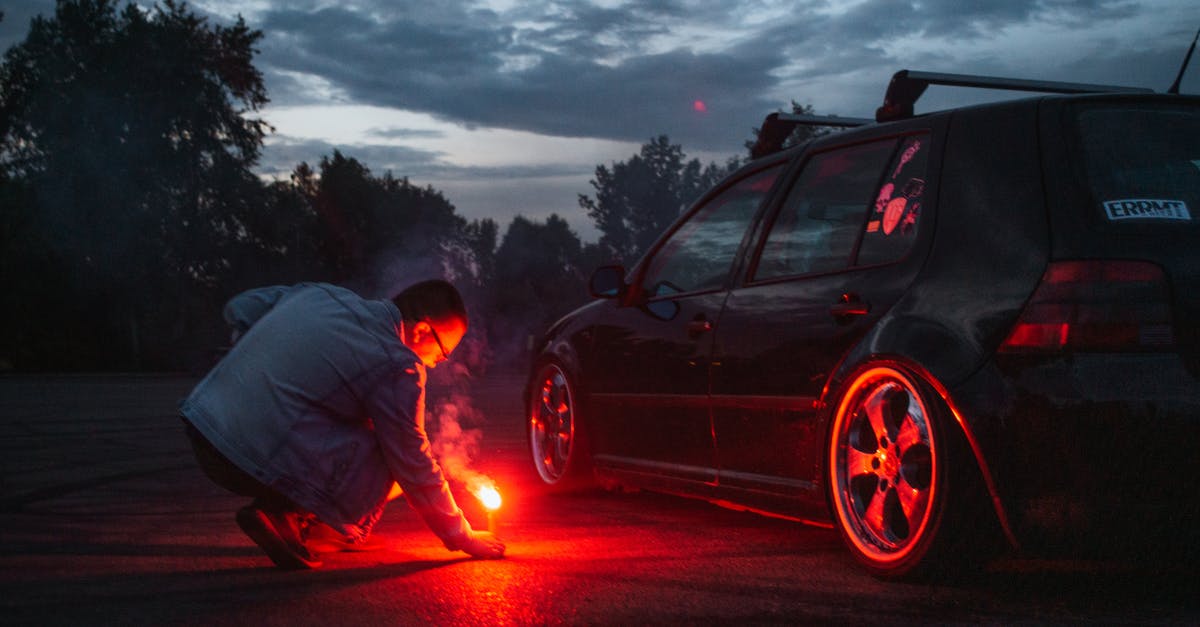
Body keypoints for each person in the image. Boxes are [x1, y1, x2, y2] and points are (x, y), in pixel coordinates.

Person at [180, 280, 505, 569]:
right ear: (421, 331)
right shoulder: (398, 364)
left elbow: (242, 307)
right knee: (390, 459)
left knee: (360, 421)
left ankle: (288, 512)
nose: (435, 364)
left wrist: (255, 355)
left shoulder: (321, 293)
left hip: (202, 429)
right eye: (442, 353)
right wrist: (461, 536)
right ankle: (287, 515)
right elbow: (412, 462)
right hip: (246, 458)